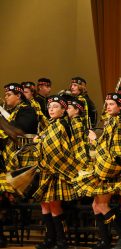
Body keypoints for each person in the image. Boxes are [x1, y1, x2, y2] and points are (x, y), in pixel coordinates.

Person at [74, 93, 121, 249]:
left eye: (111, 104)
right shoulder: (112, 120)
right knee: (96, 206)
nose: (107, 106)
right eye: (106, 104)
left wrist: (95, 141)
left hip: (110, 170)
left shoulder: (119, 122)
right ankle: (105, 240)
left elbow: (116, 151)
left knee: (101, 205)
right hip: (104, 167)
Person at [32, 95, 82, 249]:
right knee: (44, 205)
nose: (51, 109)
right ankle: (50, 240)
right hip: (47, 170)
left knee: (54, 206)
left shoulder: (61, 125)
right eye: (50, 106)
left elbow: (59, 151)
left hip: (56, 171)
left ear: (63, 110)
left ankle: (61, 241)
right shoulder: (50, 125)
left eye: (55, 106)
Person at [0, 83, 38, 248]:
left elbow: (17, 132)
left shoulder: (27, 111)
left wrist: (0, 118)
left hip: (22, 165)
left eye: (9, 94)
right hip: (6, 162)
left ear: (19, 95)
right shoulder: (11, 113)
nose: (6, 97)